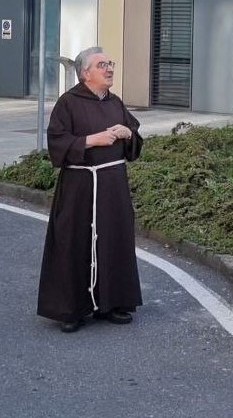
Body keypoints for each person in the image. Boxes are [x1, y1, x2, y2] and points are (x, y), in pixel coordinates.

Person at [37, 46, 143, 333]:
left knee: (114, 238)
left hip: (113, 185)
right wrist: (91, 140)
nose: (109, 69)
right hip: (79, 185)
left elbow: (134, 143)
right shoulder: (68, 103)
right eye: (102, 65)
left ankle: (114, 302)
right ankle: (71, 308)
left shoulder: (115, 102)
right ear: (85, 73)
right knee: (73, 241)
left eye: (110, 64)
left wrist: (128, 134)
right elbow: (56, 142)